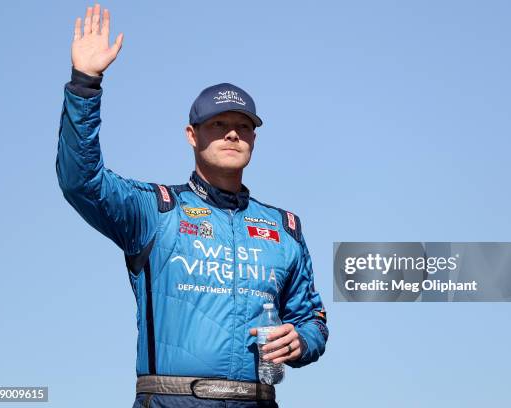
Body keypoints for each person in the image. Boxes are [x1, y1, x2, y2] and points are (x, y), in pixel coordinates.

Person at [57, 4, 328, 408]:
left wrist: (302, 339)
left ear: (254, 139)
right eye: (219, 124)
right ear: (191, 134)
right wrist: (85, 84)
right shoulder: (154, 211)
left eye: (244, 126)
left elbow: (312, 320)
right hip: (171, 400)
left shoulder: (284, 228)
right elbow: (81, 180)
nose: (233, 134)